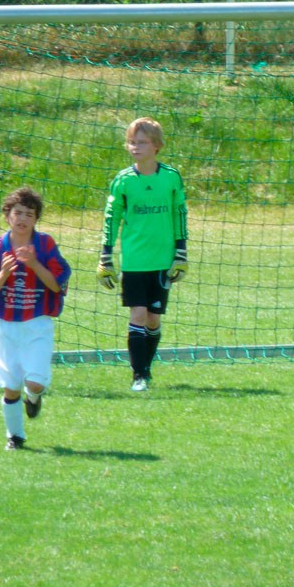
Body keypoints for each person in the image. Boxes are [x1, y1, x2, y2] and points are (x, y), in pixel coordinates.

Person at [0, 186, 71, 450]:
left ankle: (35, 396)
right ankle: (15, 437)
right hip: (6, 327)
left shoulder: (45, 245)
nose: (22, 218)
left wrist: (35, 264)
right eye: (17, 212)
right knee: (10, 387)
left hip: (37, 324)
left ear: (36, 219)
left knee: (35, 382)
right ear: (7, 216)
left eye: (29, 213)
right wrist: (3, 274)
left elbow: (57, 285)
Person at [97, 117, 188, 392]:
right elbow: (111, 218)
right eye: (132, 142)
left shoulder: (171, 177)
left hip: (162, 261)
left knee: (153, 319)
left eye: (142, 142)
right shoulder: (123, 181)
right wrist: (106, 256)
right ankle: (139, 375)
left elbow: (179, 212)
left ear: (157, 146)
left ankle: (146, 370)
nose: (136, 147)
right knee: (137, 314)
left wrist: (181, 252)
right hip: (135, 262)